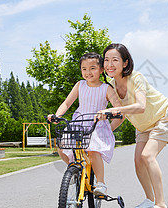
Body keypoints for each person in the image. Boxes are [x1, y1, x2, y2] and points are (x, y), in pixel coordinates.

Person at [98, 43, 168, 208]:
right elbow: (122, 115)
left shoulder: (136, 78)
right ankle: (150, 201)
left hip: (162, 117)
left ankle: (162, 207)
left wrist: (111, 111)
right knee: (138, 161)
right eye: (107, 60)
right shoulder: (111, 85)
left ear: (125, 63)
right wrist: (106, 132)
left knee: (148, 156)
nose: (109, 64)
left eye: (115, 60)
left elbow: (140, 106)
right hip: (143, 126)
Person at [48, 52, 121, 196]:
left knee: (93, 150)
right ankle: (74, 169)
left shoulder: (106, 88)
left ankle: (100, 183)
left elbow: (117, 106)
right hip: (79, 122)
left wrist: (109, 113)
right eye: (84, 69)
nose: (88, 72)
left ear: (101, 70)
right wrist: (57, 115)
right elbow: (67, 102)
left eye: (93, 68)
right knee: (62, 147)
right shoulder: (79, 85)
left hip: (98, 125)